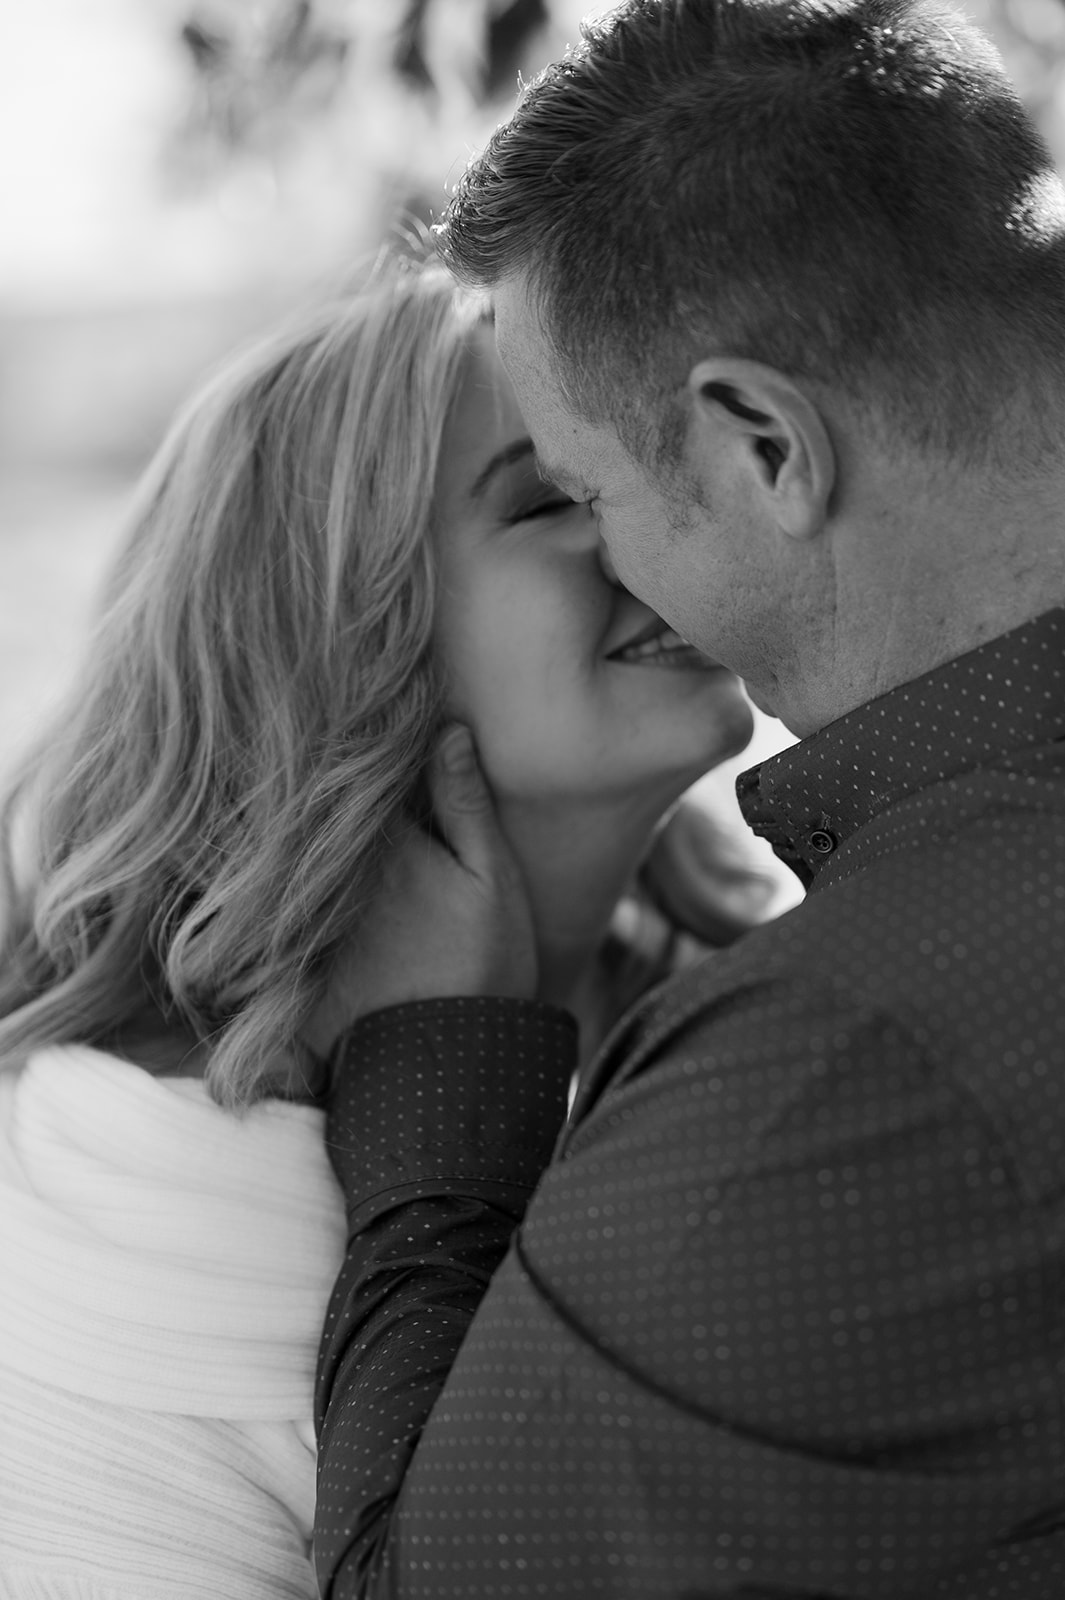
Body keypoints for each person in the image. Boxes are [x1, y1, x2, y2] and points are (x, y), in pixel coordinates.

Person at [311, 2, 1065, 1596]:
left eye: (584, 491)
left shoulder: (860, 1051)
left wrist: (439, 1080)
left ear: (760, 446)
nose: (612, 564)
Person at [0, 262, 763, 1598]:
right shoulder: (156, 1181)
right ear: (344, 643)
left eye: (649, 463)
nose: (662, 519)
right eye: (549, 498)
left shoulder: (725, 1018)